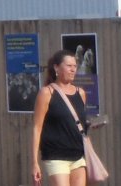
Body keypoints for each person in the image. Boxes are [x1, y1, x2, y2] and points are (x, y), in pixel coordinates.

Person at [32, 49, 97, 185]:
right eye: (69, 66)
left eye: (75, 66)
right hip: (56, 156)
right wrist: (34, 162)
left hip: (78, 156)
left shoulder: (81, 93)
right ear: (56, 67)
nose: (73, 70)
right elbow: (37, 128)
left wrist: (90, 125)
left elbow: (78, 123)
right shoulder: (46, 93)